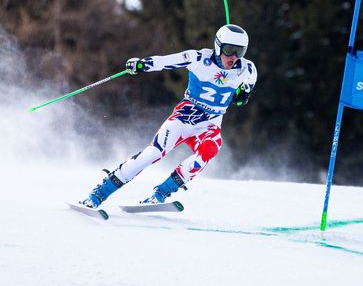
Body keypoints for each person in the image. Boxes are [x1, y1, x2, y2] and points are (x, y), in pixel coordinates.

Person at [80, 24, 257, 208]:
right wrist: (141, 64)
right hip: (183, 118)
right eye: (229, 50)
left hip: (209, 125)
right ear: (218, 46)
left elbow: (242, 97)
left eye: (240, 51)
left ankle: (161, 193)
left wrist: (240, 94)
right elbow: (165, 61)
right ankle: (98, 195)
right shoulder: (198, 58)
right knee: (152, 154)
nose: (234, 57)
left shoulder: (248, 70)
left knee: (210, 149)